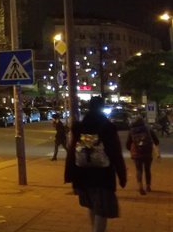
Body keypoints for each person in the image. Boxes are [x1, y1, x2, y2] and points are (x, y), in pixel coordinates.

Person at [65, 96, 126, 232]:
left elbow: (71, 152)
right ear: (102, 108)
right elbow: (115, 153)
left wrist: (70, 175)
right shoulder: (108, 127)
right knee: (102, 209)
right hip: (103, 175)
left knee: (91, 205)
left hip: (82, 174)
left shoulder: (79, 127)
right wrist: (122, 176)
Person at [126, 117, 159, 195]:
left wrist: (131, 149)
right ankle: (148, 186)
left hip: (137, 153)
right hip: (147, 152)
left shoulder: (132, 131)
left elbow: (128, 144)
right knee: (147, 169)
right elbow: (156, 141)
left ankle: (140, 186)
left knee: (139, 170)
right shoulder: (148, 129)